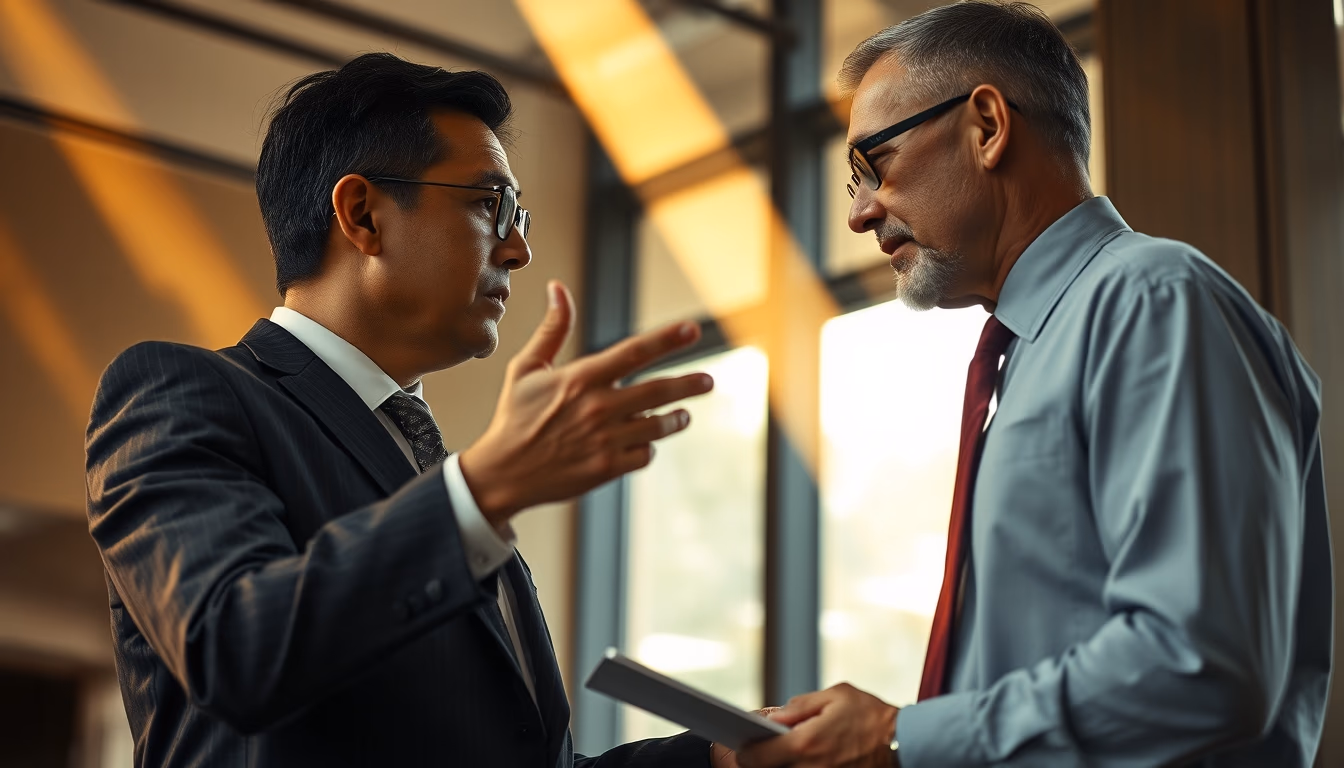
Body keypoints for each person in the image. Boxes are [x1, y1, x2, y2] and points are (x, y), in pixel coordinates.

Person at [85, 53, 725, 767]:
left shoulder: (434, 472)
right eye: (491, 205)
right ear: (362, 214)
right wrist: (484, 490)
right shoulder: (180, 391)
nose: (519, 249)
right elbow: (233, 648)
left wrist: (722, 760)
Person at [737, 3, 1332, 767]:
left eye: (873, 164)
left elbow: (1199, 665)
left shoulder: (1152, 302)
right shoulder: (1030, 356)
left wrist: (897, 737)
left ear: (986, 125)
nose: (859, 213)